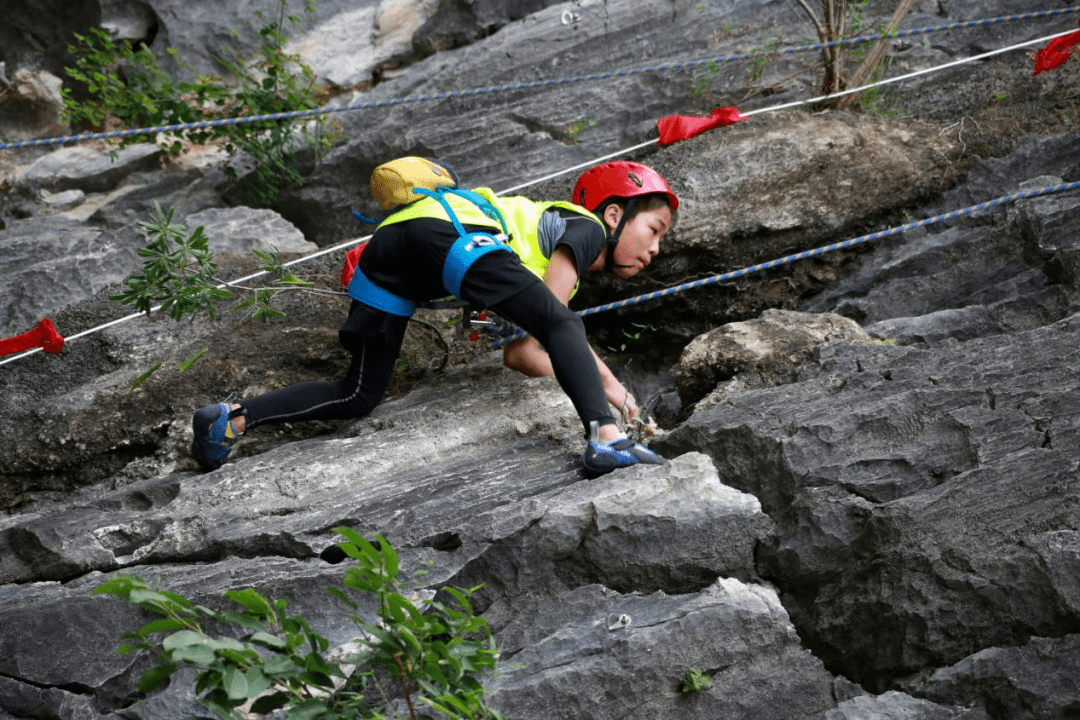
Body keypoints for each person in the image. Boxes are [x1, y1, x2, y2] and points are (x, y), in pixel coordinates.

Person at [192, 159, 678, 475]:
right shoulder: (585, 224)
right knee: (565, 323)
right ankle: (605, 439)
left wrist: (592, 378)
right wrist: (608, 388)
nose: (655, 249)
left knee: (358, 393)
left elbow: (523, 354)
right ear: (614, 215)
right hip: (449, 232)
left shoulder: (545, 254)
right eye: (654, 229)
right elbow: (553, 326)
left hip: (389, 254)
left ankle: (230, 420)